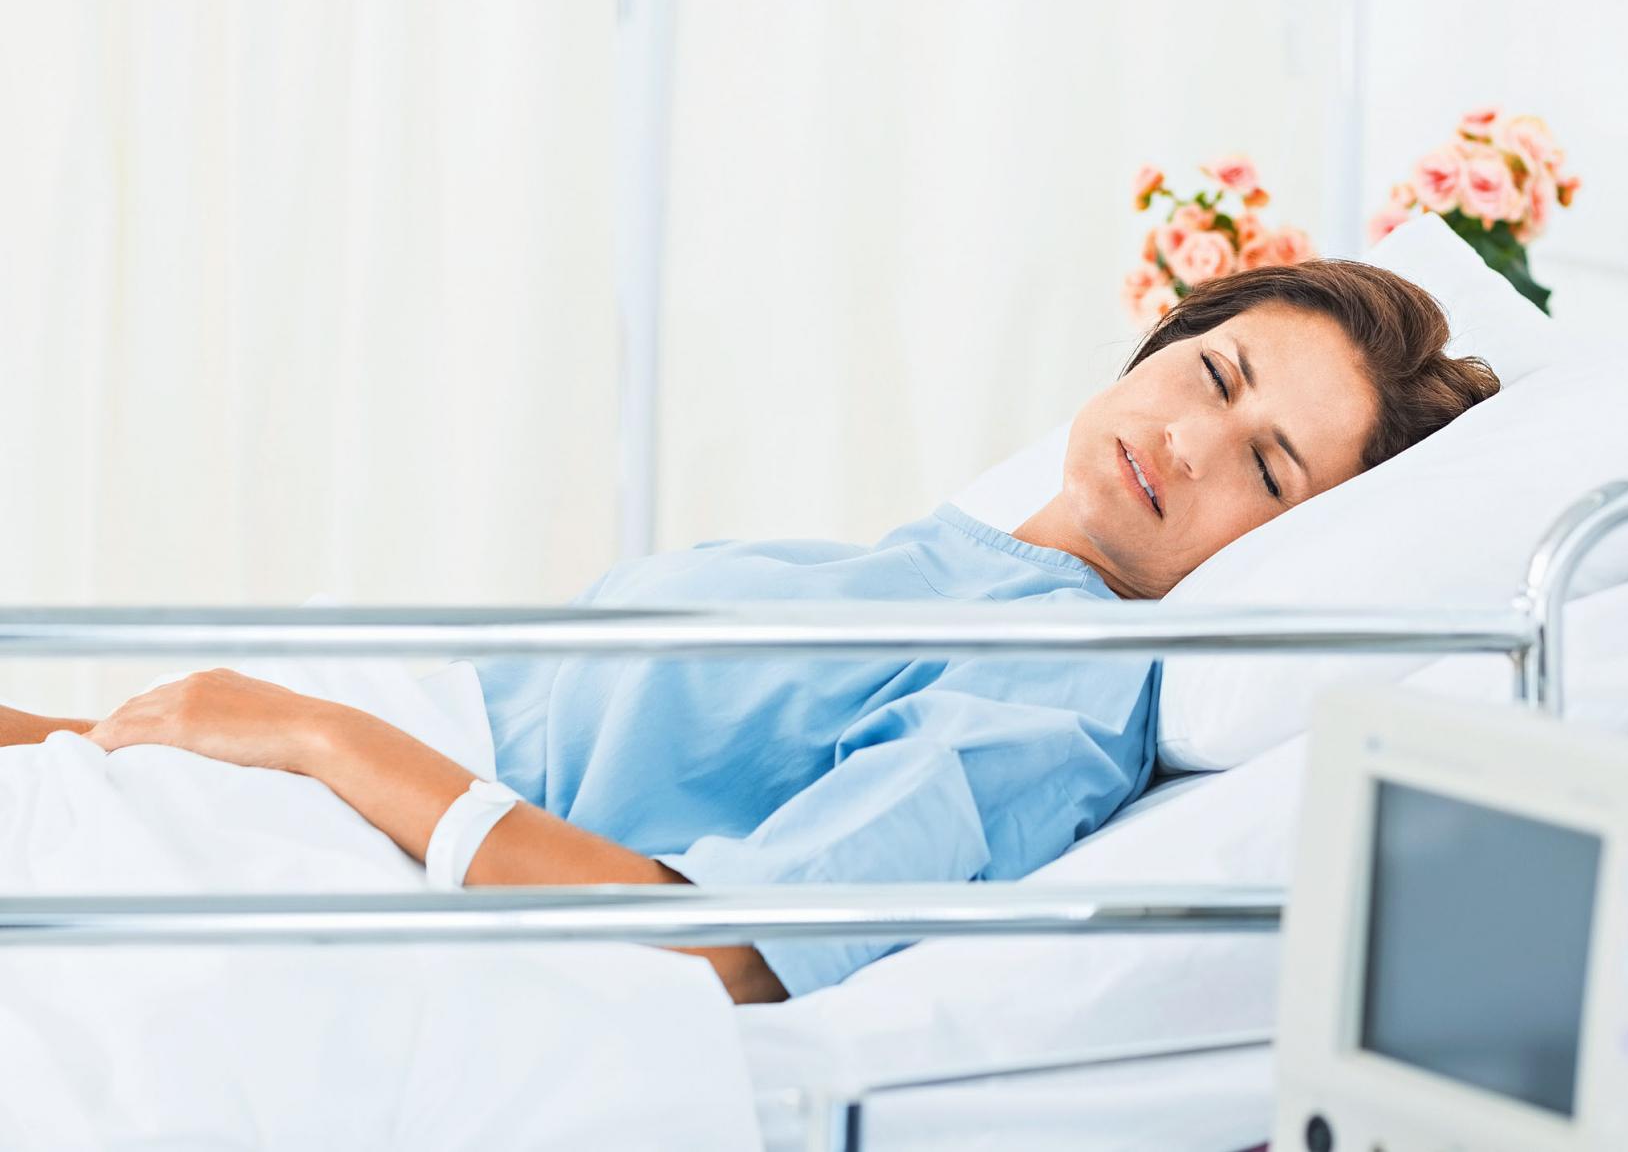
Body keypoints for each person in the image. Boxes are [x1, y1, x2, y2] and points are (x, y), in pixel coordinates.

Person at [0, 260, 1499, 1003]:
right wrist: (115, 735)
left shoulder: (1061, 693)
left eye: (1270, 470)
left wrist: (321, 740)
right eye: (1216, 374)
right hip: (302, 776)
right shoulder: (937, 561)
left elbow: (729, 944)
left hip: (379, 838)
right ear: (1157, 346)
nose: (1195, 440)